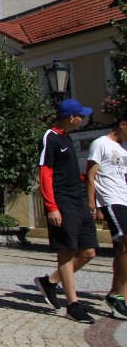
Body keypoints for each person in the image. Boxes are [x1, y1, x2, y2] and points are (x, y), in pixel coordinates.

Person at [33, 98, 98, 323]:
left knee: (88, 252)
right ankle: (73, 304)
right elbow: (46, 173)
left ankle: (49, 282)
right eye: (81, 115)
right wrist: (51, 207)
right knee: (67, 252)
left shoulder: (67, 138)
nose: (84, 118)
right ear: (71, 117)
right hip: (62, 203)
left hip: (78, 202)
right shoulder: (50, 137)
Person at [86, 111, 127, 320]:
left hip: (125, 198)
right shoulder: (101, 143)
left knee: (122, 248)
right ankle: (117, 294)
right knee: (125, 242)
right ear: (122, 124)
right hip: (111, 200)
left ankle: (118, 294)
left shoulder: (124, 148)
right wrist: (93, 205)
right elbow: (91, 175)